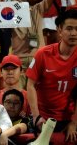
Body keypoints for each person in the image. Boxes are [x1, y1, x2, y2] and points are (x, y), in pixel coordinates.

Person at [26, 9, 77, 143]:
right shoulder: (43, 54)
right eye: (69, 28)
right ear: (59, 30)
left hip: (69, 117)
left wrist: (74, 122)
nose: (74, 33)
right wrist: (36, 117)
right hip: (44, 117)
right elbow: (30, 85)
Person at [11, 0, 55, 88]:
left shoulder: (38, 9)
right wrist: (12, 2)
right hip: (19, 57)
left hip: (38, 56)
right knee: (19, 92)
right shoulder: (11, 11)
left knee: (37, 91)